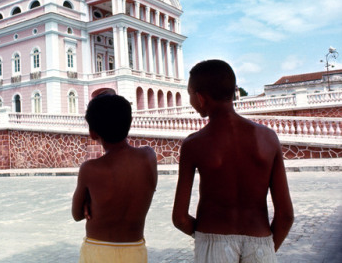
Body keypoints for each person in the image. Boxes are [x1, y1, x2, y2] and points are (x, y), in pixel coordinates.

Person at [172, 59, 294, 263]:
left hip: (213, 241)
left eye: (190, 94)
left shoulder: (194, 144)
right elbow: (286, 215)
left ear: (201, 98)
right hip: (260, 241)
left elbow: (180, 218)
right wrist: (266, 250)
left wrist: (203, 237)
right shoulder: (268, 138)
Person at [72, 94, 158, 263]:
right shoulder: (149, 157)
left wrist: (91, 202)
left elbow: (77, 214)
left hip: (97, 251)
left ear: (92, 133)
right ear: (129, 122)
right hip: (135, 251)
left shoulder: (90, 169)